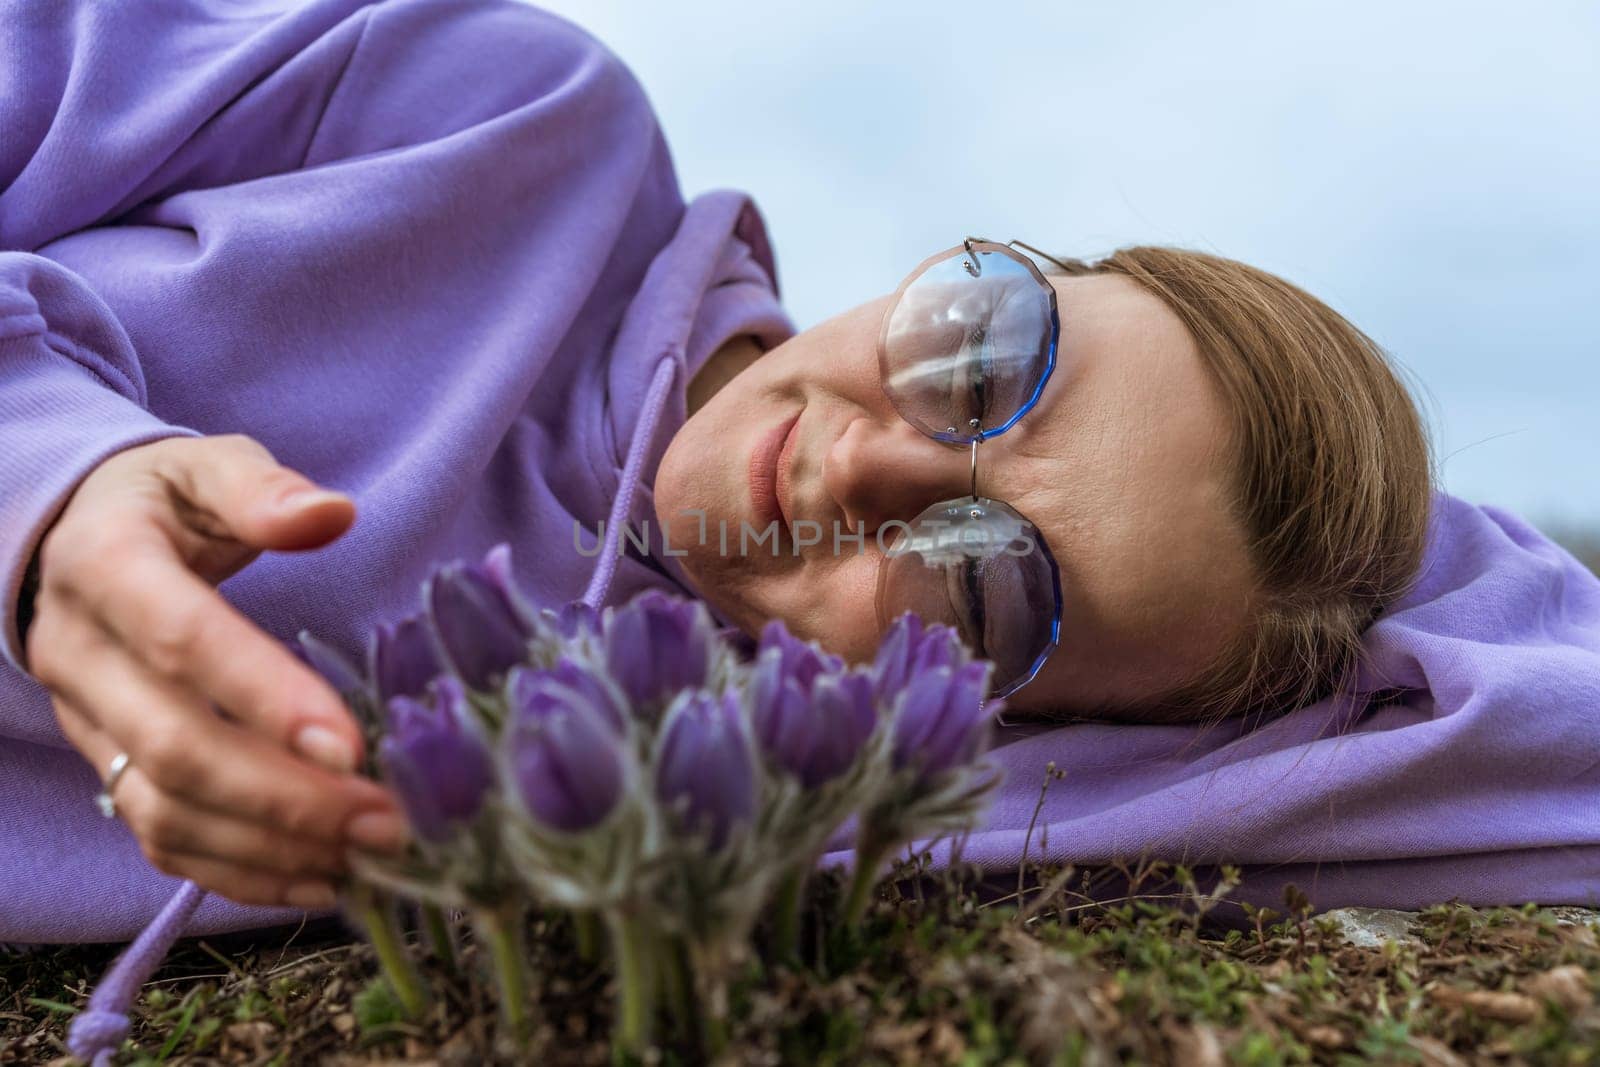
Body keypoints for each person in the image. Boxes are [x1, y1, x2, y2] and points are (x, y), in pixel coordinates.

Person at [3, 0, 1597, 966]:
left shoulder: (711, 786)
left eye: (980, 581)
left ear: (1007, 732)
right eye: (979, 360)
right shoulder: (492, 114)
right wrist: (54, 489)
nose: (868, 464)